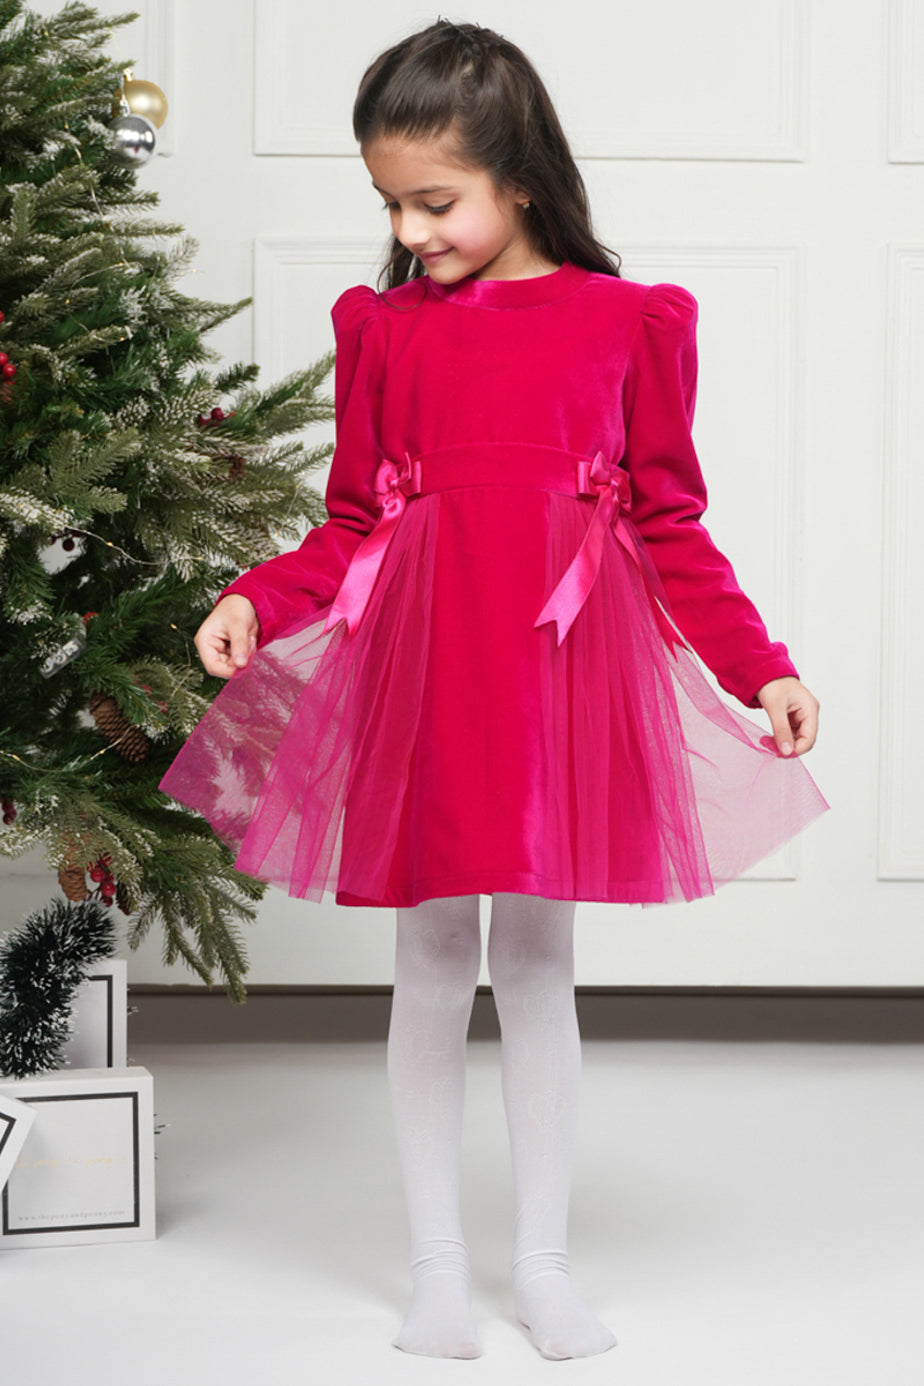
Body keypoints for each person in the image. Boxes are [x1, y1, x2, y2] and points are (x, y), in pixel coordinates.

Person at [161, 20, 826, 1361]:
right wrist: (255, 598)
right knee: (426, 959)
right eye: (390, 206)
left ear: (519, 178)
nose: (409, 233)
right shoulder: (385, 331)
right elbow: (351, 522)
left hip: (561, 678)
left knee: (534, 960)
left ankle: (542, 1262)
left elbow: (670, 523)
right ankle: (435, 1265)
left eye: (435, 202)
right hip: (423, 672)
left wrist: (758, 663)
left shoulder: (628, 323)